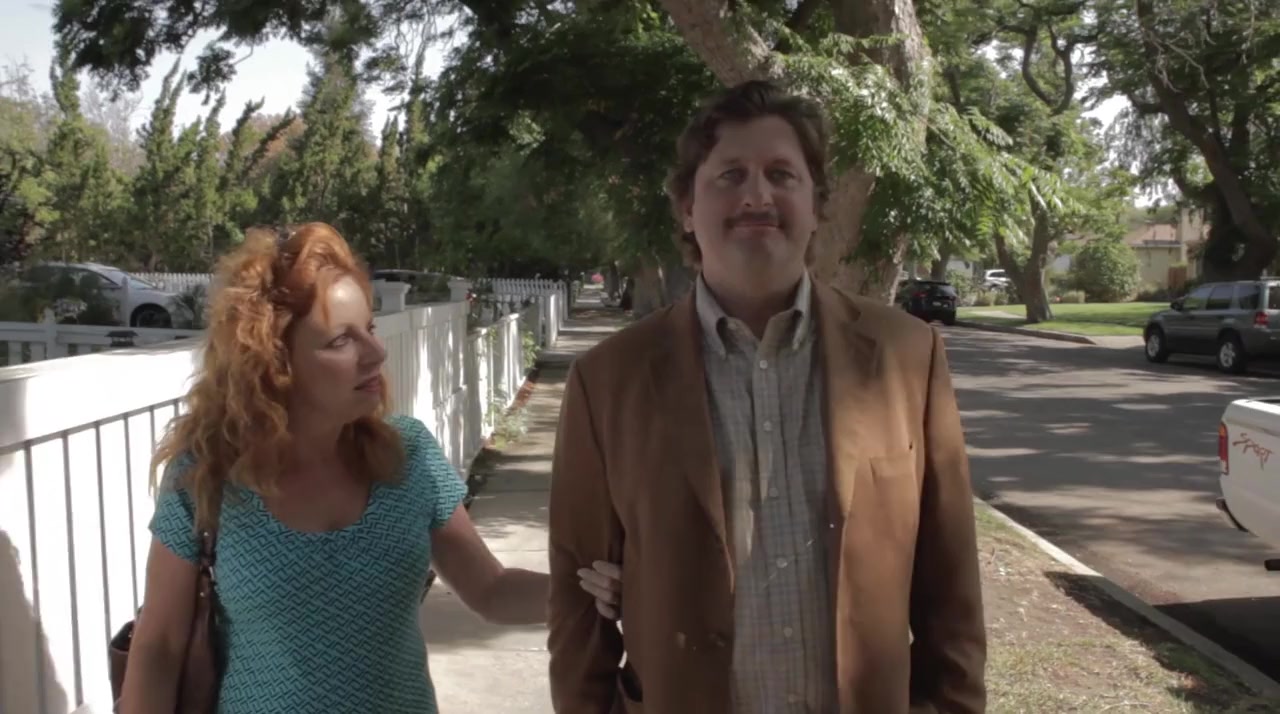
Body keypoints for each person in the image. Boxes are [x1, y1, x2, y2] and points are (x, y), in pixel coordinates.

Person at [547, 81, 987, 713]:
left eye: (782, 174)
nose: (757, 195)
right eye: (730, 175)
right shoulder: (607, 379)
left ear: (816, 205)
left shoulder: (908, 355)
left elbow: (952, 586)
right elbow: (576, 598)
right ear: (687, 208)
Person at [118, 222, 620, 714]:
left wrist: (588, 592)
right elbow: (160, 645)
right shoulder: (204, 477)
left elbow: (491, 590)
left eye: (371, 329)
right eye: (341, 341)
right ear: (273, 363)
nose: (376, 353)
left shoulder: (409, 455)